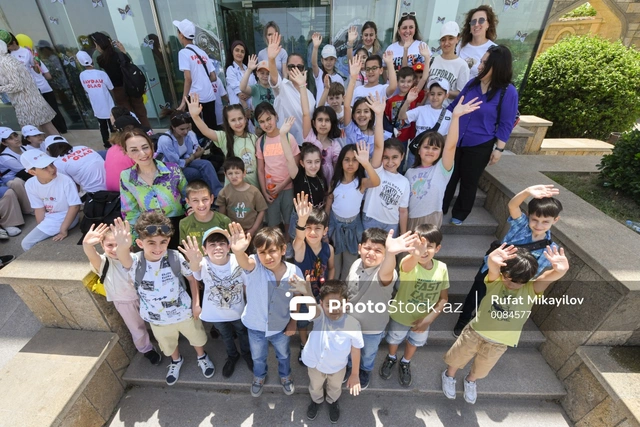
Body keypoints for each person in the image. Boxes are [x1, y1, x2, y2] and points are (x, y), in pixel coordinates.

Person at [442, 244, 569, 404]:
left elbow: (548, 278)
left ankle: (470, 380)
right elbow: (493, 268)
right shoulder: (495, 282)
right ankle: (449, 375)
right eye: (507, 277)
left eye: (518, 281)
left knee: (482, 367)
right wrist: (494, 260)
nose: (511, 283)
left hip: (500, 342)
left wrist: (561, 270)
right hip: (475, 332)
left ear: (528, 279)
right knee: (457, 357)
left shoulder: (531, 289)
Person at [114, 213, 214, 386]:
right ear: (139, 243)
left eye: (163, 242)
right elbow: (123, 256)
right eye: (151, 242)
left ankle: (201, 356)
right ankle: (176, 360)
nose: (158, 247)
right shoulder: (136, 262)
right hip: (156, 318)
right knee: (167, 344)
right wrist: (121, 247)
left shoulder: (175, 257)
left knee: (196, 337)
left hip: (184, 313)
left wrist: (196, 303)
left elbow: (192, 278)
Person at [453, 185, 562, 337]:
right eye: (535, 219)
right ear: (529, 216)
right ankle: (462, 320)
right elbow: (513, 205)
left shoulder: (550, 248)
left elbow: (535, 274)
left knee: (491, 302)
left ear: (555, 220)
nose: (538, 225)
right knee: (476, 295)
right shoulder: (522, 225)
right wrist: (527, 191)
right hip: (491, 269)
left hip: (511, 281)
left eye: (545, 221)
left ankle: (477, 322)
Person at [442, 45, 518, 225]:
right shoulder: (472, 84)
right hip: (455, 140)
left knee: (469, 181)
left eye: (485, 63)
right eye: (481, 61)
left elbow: (507, 123)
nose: (480, 66)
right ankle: (441, 207)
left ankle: (460, 214)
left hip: (480, 144)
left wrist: (499, 149)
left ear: (497, 66)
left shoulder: (508, 92)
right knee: (449, 176)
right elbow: (453, 108)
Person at [228, 223, 301, 397]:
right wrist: (238, 251)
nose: (267, 256)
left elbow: (298, 298)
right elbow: (245, 261)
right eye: (262, 252)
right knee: (258, 357)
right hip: (256, 326)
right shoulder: (254, 267)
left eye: (272, 251)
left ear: (283, 250)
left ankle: (285, 376)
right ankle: (259, 377)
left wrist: (293, 322)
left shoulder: (294, 272)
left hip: (281, 326)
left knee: (283, 355)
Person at [344, 227, 418, 389]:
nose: (371, 253)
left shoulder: (385, 272)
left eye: (378, 250)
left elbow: (386, 271)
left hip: (372, 328)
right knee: (350, 349)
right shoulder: (356, 263)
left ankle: (365, 370)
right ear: (359, 247)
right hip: (350, 324)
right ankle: (350, 366)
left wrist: (391, 254)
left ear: (385, 255)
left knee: (368, 353)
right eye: (367, 248)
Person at [82, 223, 162, 365]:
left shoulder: (135, 257)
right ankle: (146, 349)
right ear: (102, 244)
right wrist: (87, 245)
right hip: (124, 302)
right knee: (136, 327)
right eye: (109, 245)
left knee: (158, 320)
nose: (114, 249)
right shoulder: (103, 262)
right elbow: (92, 255)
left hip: (146, 297)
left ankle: (165, 338)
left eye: (118, 244)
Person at [380, 224, 449, 386]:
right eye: (419, 245)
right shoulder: (408, 262)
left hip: (424, 320)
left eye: (429, 246)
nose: (423, 250)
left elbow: (443, 298)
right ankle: (391, 357)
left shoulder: (442, 268)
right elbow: (407, 266)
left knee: (414, 342)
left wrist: (428, 319)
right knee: (394, 338)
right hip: (400, 316)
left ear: (437, 248)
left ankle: (405, 361)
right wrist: (416, 254)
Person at [180, 228, 253, 378]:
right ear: (205, 249)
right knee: (225, 335)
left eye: (221, 243)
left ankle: (246, 353)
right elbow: (196, 271)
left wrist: (250, 306)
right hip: (216, 314)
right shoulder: (203, 262)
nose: (218, 247)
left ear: (229, 246)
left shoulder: (238, 260)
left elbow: (246, 285)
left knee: (242, 332)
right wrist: (193, 260)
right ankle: (232, 356)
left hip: (238, 311)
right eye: (212, 244)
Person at [405, 95, 480, 229]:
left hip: (430, 218)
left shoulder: (442, 168)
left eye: (435, 148)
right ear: (419, 149)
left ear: (441, 152)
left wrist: (455, 117)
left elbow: (451, 145)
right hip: (410, 217)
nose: (430, 151)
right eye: (426, 147)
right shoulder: (410, 172)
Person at [292, 278, 362, 423]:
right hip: (315, 364)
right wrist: (307, 293)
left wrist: (354, 374)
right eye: (329, 304)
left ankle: (332, 401)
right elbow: (312, 306)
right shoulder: (320, 317)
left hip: (337, 367)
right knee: (315, 385)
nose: (334, 308)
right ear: (322, 304)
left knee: (335, 387)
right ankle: (316, 400)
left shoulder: (353, 324)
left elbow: (356, 350)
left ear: (346, 303)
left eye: (339, 304)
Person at [119, 127, 187, 249]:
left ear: (152, 146)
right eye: (134, 150)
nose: (142, 154)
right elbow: (130, 211)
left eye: (145, 147)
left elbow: (187, 198)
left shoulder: (173, 169)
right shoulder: (126, 177)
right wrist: (133, 240)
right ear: (127, 153)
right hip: (150, 230)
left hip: (179, 225)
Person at [290, 192, 335, 363]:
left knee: (319, 321)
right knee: (302, 323)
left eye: (317, 228)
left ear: (325, 230)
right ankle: (303, 344)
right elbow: (299, 238)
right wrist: (302, 220)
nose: (313, 232)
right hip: (301, 296)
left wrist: (328, 287)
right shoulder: (300, 248)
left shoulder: (328, 249)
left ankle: (317, 343)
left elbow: (332, 268)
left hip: (319, 295)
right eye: (308, 228)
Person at [187, 95, 259, 189]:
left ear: (245, 119)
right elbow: (206, 131)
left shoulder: (254, 138)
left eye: (240, 118)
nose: (237, 123)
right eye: (233, 120)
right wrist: (195, 116)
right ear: (227, 123)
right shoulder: (224, 137)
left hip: (255, 190)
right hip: (233, 193)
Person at [3, 31, 67, 133]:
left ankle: (59, 134)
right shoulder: (7, 57)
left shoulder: (27, 51)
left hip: (36, 87)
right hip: (24, 93)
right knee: (36, 120)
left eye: (8, 45)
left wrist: (37, 66)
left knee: (49, 114)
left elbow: (37, 68)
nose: (8, 48)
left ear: (13, 42)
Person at [254, 103, 300, 243]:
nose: (267, 124)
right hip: (270, 190)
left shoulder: (288, 138)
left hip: (288, 187)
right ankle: (276, 244)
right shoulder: (261, 142)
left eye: (269, 119)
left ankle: (287, 242)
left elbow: (295, 165)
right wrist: (264, 191)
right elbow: (261, 169)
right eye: (262, 121)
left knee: (288, 219)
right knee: (273, 222)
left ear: (276, 116)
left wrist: (282, 185)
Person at [20, 150, 81, 251]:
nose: (52, 169)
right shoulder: (30, 184)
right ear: (32, 172)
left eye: (51, 164)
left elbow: (74, 206)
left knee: (26, 243)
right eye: (45, 168)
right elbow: (39, 208)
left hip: (67, 216)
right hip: (51, 218)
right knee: (29, 242)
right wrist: (42, 225)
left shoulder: (65, 180)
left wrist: (63, 229)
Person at [290, 68, 341, 183]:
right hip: (309, 187)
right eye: (320, 120)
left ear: (332, 124)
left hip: (327, 189)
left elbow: (337, 172)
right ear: (314, 123)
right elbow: (306, 113)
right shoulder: (309, 136)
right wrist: (302, 86)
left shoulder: (335, 146)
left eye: (327, 120)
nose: (323, 124)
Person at [89, 32, 150, 128]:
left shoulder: (99, 58)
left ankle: (136, 135)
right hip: (132, 85)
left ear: (98, 44)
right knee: (141, 112)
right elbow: (130, 64)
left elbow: (100, 75)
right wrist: (124, 51)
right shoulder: (118, 52)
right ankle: (148, 132)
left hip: (117, 89)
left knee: (127, 115)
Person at [156, 110, 223, 197]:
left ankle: (219, 193)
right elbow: (176, 164)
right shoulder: (165, 140)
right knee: (195, 173)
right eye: (182, 129)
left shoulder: (187, 135)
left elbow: (189, 153)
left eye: (187, 128)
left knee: (206, 164)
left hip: (186, 162)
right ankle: (204, 197)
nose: (185, 131)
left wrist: (192, 156)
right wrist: (193, 157)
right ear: (173, 127)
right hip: (172, 170)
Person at [267, 32, 316, 145]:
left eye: (299, 67)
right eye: (291, 67)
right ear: (287, 69)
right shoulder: (282, 87)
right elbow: (274, 79)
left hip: (306, 146)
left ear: (304, 70)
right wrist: (271, 59)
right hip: (286, 144)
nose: (295, 69)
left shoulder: (309, 94)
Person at [173, 19, 218, 134]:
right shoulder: (202, 52)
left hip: (195, 98)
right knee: (211, 128)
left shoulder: (183, 53)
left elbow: (188, 78)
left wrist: (184, 101)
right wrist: (202, 78)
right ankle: (215, 149)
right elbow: (213, 77)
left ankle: (200, 150)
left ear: (181, 35)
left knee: (196, 128)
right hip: (209, 95)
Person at [399, 79, 453, 169]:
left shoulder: (449, 115)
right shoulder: (421, 109)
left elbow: (448, 137)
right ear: (428, 95)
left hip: (434, 156)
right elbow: (402, 116)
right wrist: (407, 101)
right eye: (432, 94)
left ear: (446, 96)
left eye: (439, 94)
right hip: (416, 153)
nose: (435, 97)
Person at [362, 138, 410, 235]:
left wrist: (403, 233)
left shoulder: (405, 182)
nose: (390, 162)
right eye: (386, 157)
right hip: (371, 219)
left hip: (392, 224)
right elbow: (378, 146)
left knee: (388, 250)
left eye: (394, 157)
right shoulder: (377, 171)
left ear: (402, 156)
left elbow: (403, 211)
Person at [343, 60, 391, 156]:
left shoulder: (378, 134)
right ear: (353, 115)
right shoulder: (351, 129)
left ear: (371, 116)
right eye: (358, 112)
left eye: (366, 111)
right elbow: (346, 106)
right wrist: (353, 77)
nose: (362, 115)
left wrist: (379, 114)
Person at [215, 157, 267, 237]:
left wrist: (253, 229)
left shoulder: (254, 191)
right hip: (233, 233)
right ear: (225, 175)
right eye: (230, 173)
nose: (234, 176)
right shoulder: (224, 193)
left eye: (237, 173)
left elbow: (262, 210)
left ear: (244, 173)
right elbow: (223, 216)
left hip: (252, 232)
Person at [76, 50, 115, 148]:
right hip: (108, 103)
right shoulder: (101, 73)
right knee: (113, 125)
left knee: (103, 126)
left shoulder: (82, 75)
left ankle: (106, 144)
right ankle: (116, 142)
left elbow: (86, 89)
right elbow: (111, 87)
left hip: (96, 105)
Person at [42, 135, 107, 194]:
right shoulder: (82, 147)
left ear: (48, 149)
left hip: (96, 192)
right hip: (113, 181)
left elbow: (74, 187)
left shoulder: (58, 163)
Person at [178, 180, 231, 251]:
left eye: (205, 199)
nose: (201, 204)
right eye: (195, 200)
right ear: (188, 202)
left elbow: (230, 247)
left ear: (211, 199)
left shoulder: (224, 220)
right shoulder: (184, 223)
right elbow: (186, 250)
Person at [429, 22, 470, 104]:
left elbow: (462, 94)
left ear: (458, 39)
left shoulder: (462, 65)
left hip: (446, 112)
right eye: (443, 39)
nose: (446, 43)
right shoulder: (432, 60)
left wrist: (440, 91)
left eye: (450, 38)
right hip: (427, 110)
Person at [458, 5, 498, 82]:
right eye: (473, 21)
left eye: (481, 20)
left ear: (488, 25)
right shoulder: (461, 45)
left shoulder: (494, 49)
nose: (476, 24)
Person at [225, 40, 254, 112]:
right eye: (237, 50)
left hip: (252, 108)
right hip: (238, 109)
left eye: (242, 51)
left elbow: (255, 87)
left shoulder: (248, 68)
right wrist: (246, 109)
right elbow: (241, 94)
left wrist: (250, 93)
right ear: (232, 52)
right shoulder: (230, 69)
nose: (239, 53)